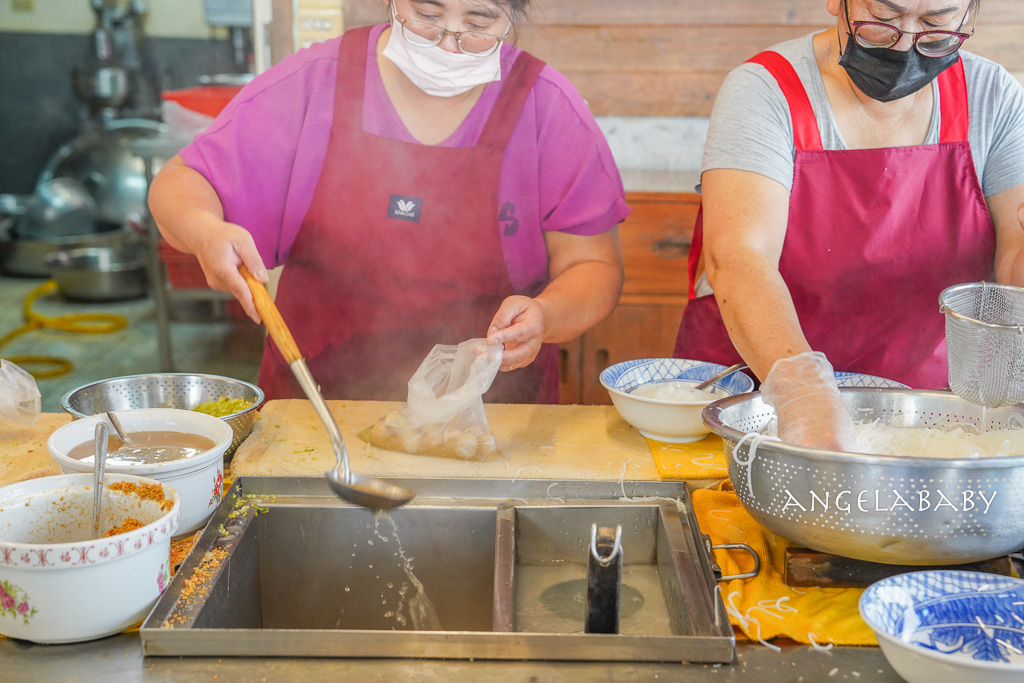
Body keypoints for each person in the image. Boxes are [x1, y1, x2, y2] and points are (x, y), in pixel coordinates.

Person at [148, 0, 628, 403]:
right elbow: (181, 181)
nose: (448, 42)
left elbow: (594, 266)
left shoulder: (545, 107)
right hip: (316, 411)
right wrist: (205, 231)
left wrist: (547, 316)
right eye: (427, 15)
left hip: (497, 418)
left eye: (478, 23)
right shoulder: (317, 83)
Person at [673, 0, 1024, 450]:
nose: (904, 44)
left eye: (935, 24)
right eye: (883, 19)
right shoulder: (766, 90)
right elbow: (741, 257)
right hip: (760, 403)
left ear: (968, 15)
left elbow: (1012, 267)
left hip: (927, 416)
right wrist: (803, 393)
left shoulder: (991, 96)